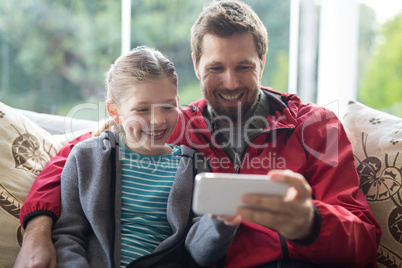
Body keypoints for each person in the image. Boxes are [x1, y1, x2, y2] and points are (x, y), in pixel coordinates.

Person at [15, 1, 381, 267]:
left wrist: (310, 221)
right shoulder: (170, 125)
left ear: (262, 63)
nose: (231, 82)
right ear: (196, 65)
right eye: (216, 67)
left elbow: (363, 242)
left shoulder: (314, 126)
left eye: (244, 67)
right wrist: (36, 231)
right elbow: (74, 155)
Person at [25, 46, 240, 267]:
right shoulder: (86, 157)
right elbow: (68, 236)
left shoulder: (194, 168)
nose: (157, 120)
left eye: (167, 106)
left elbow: (198, 252)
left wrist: (220, 223)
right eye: (142, 110)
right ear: (115, 111)